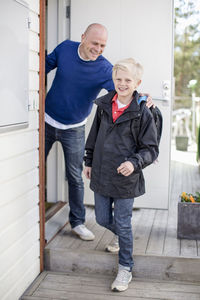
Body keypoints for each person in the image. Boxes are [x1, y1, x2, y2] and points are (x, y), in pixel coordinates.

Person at [45, 23, 154, 242]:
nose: (98, 48)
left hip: (74, 127)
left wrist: (143, 97)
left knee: (75, 176)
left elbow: (123, 90)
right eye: (94, 43)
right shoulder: (65, 49)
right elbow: (41, 67)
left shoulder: (105, 69)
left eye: (103, 45)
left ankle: (77, 222)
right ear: (83, 37)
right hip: (46, 120)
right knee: (35, 170)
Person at [84, 58, 159, 292]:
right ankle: (123, 236)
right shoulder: (104, 105)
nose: (122, 83)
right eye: (118, 79)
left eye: (128, 80)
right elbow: (94, 135)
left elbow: (150, 149)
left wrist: (133, 163)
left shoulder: (143, 112)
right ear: (113, 80)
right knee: (102, 219)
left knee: (123, 222)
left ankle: (125, 268)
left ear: (137, 82)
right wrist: (88, 160)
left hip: (127, 177)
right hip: (102, 172)